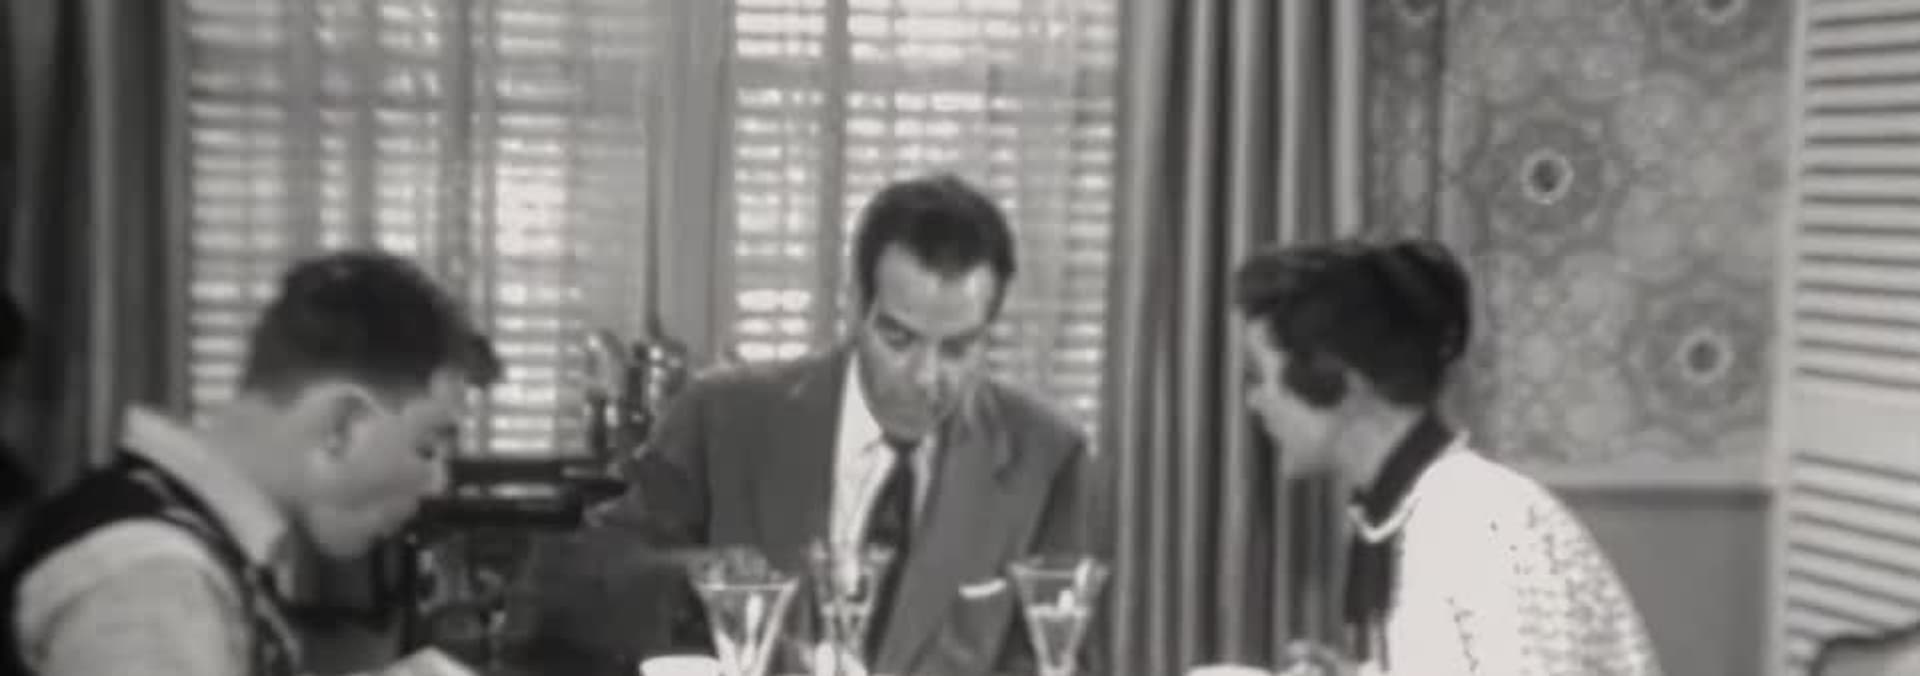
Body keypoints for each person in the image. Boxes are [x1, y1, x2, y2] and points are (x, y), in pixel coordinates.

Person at [548, 173, 1099, 676]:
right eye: (898, 340)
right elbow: (583, 586)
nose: (925, 378)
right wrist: (711, 585)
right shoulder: (722, 417)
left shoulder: (1048, 458)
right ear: (854, 308)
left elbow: (1067, 661)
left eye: (956, 348)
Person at [2, 250, 499, 676]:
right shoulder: (155, 578)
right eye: (428, 445)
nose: (436, 483)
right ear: (342, 426)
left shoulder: (176, 524)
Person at [1230, 238, 1660, 675]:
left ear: (1340, 377)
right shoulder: (1423, 510)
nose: (1254, 402)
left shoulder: (1480, 520)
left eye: (1259, 376)